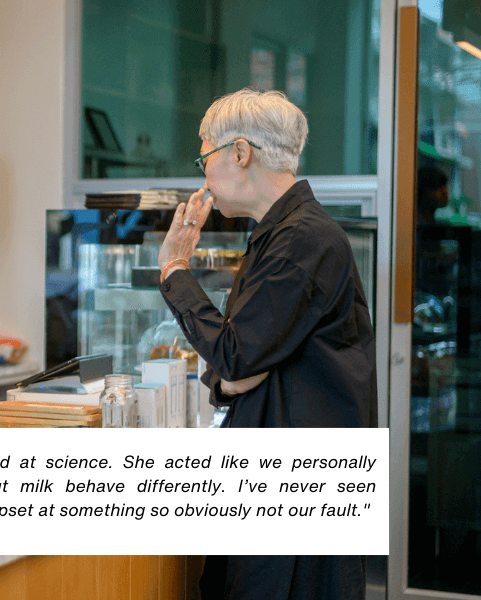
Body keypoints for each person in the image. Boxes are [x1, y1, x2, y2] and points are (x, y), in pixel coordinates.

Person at [157, 89, 377, 599]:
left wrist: (174, 268)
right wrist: (229, 376)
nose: (204, 175)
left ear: (240, 152)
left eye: (205, 157)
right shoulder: (278, 234)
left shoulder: (302, 239)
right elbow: (235, 363)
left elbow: (233, 353)